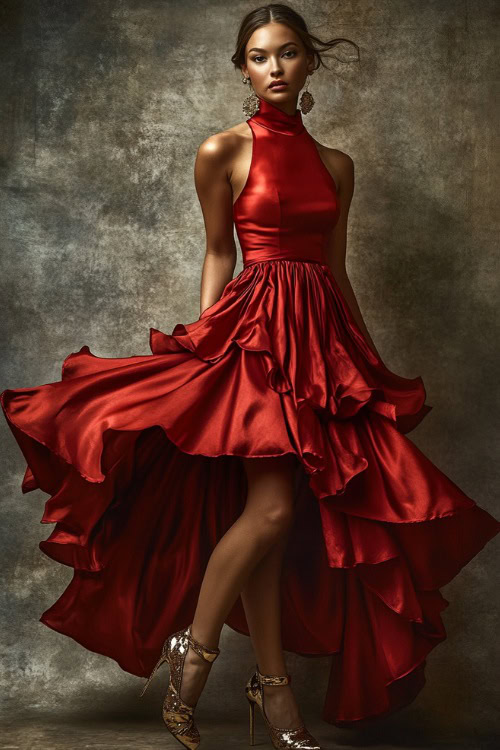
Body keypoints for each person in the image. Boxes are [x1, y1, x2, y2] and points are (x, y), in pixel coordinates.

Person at [1, 4, 499, 750]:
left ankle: (274, 696)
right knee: (268, 514)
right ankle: (193, 656)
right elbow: (217, 254)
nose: (275, 67)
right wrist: (208, 344)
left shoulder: (337, 166)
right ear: (242, 68)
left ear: (308, 65)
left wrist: (361, 358)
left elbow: (335, 267)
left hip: (321, 344)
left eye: (289, 53)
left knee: (278, 522)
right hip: (254, 336)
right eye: (260, 56)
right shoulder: (222, 151)